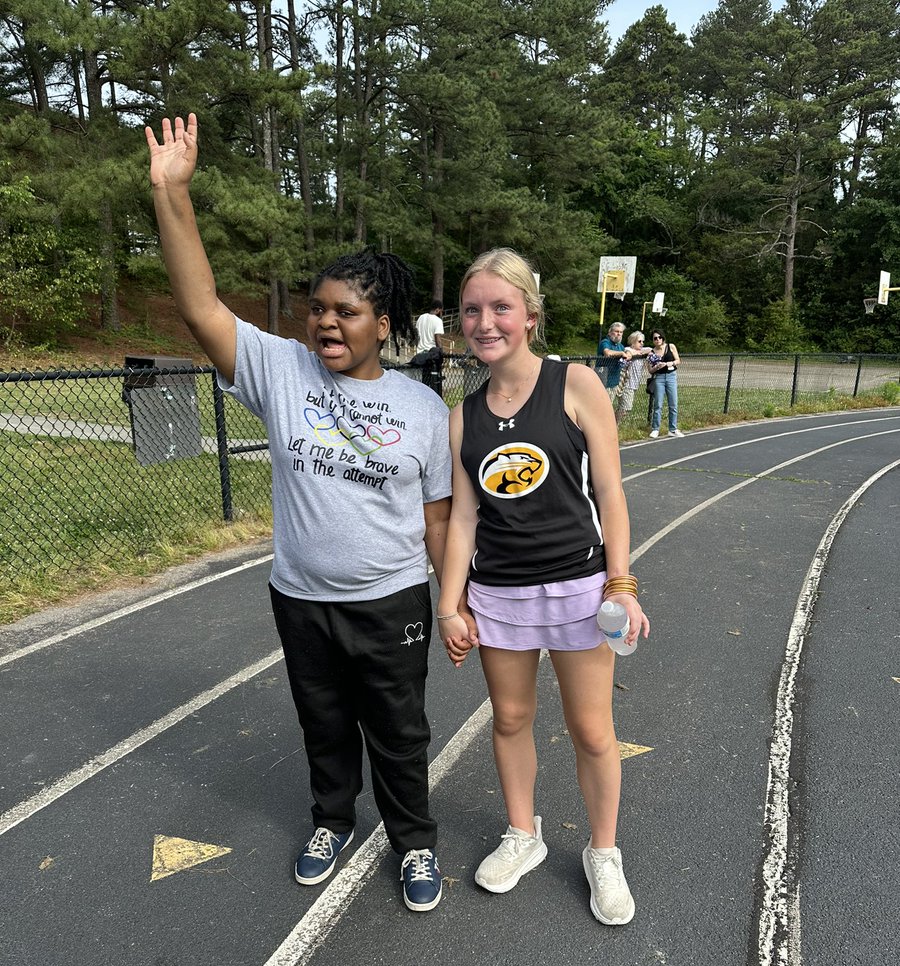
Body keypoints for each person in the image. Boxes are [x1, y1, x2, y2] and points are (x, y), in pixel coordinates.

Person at [145, 113, 461, 913]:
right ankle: (331, 820)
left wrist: (452, 599)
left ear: (382, 326)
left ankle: (415, 841)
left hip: (390, 600)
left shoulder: (421, 406)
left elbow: (437, 515)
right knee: (323, 722)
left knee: (399, 732)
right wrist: (171, 194)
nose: (324, 320)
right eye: (317, 307)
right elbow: (201, 307)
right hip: (301, 595)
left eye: (345, 311)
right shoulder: (281, 373)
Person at [437, 248, 650, 925]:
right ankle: (522, 834)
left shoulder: (576, 384)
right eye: (472, 309)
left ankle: (604, 853)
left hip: (579, 589)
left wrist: (622, 582)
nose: (485, 321)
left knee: (592, 730)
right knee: (509, 719)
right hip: (499, 595)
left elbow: (611, 491)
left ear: (530, 315)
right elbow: (464, 518)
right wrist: (450, 603)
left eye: (501, 307)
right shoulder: (463, 416)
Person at [647, 329, 683, 438]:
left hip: (671, 376)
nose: (658, 340)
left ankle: (672, 429)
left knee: (673, 404)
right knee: (658, 404)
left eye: (659, 337)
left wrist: (667, 363)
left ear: (663, 338)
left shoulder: (670, 347)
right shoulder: (651, 353)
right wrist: (656, 367)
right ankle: (655, 429)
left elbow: (678, 360)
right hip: (659, 378)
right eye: (655, 338)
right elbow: (650, 370)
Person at [612, 331, 651, 426]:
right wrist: (637, 353)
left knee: (624, 408)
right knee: (626, 407)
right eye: (639, 341)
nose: (642, 343)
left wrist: (641, 352)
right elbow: (628, 353)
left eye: (643, 341)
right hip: (625, 383)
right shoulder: (627, 349)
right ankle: (614, 424)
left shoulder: (641, 352)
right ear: (633, 342)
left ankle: (614, 423)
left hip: (634, 384)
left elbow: (650, 349)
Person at [413, 301, 446, 396]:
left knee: (422, 381)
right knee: (434, 381)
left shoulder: (421, 318)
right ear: (438, 310)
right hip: (431, 355)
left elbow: (416, 335)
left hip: (420, 353)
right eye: (440, 311)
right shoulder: (437, 321)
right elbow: (438, 339)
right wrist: (441, 353)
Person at [595, 321, 631, 394]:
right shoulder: (605, 342)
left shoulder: (619, 345)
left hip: (614, 381)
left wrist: (628, 354)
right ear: (610, 332)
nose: (619, 334)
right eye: (616, 331)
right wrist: (621, 353)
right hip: (603, 380)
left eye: (621, 332)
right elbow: (607, 353)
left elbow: (627, 352)